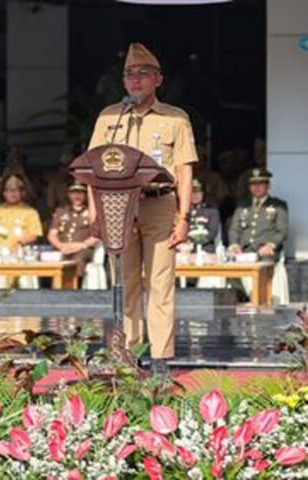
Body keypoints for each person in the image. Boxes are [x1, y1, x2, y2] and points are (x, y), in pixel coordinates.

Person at [88, 43, 197, 377]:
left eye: (143, 75)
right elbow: (91, 167)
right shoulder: (110, 117)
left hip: (159, 204)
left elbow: (185, 171)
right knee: (126, 282)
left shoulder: (175, 118)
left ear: (158, 80)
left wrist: (183, 218)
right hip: (117, 207)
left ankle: (161, 358)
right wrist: (97, 214)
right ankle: (129, 355)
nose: (135, 81)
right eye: (129, 75)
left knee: (160, 282)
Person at [0, 173, 43, 288]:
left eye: (16, 191)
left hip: (20, 255)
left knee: (27, 280)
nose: (12, 194)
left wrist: (17, 243)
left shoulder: (30, 212)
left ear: (22, 193)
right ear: (4, 194)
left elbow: (34, 235)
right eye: (9, 191)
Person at [228, 168, 288, 261]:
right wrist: (234, 244)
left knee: (264, 265)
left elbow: (282, 231)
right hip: (244, 250)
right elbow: (234, 228)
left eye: (260, 184)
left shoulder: (278, 205)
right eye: (253, 184)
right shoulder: (243, 205)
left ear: (268, 186)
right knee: (230, 269)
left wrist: (271, 245)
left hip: (266, 250)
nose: (256, 187)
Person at [47, 179, 100, 278]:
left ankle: (75, 289)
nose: (77, 196)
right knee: (49, 258)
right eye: (73, 193)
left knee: (78, 259)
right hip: (62, 248)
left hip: (82, 249)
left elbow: (97, 236)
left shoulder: (91, 213)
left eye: (80, 193)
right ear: (68, 194)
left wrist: (81, 245)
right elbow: (52, 234)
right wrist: (60, 246)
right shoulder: (61, 211)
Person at [188, 178, 221, 253]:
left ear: (203, 193)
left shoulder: (211, 211)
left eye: (198, 192)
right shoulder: (181, 211)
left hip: (205, 249)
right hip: (183, 249)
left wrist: (193, 243)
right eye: (192, 192)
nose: (195, 195)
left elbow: (212, 233)